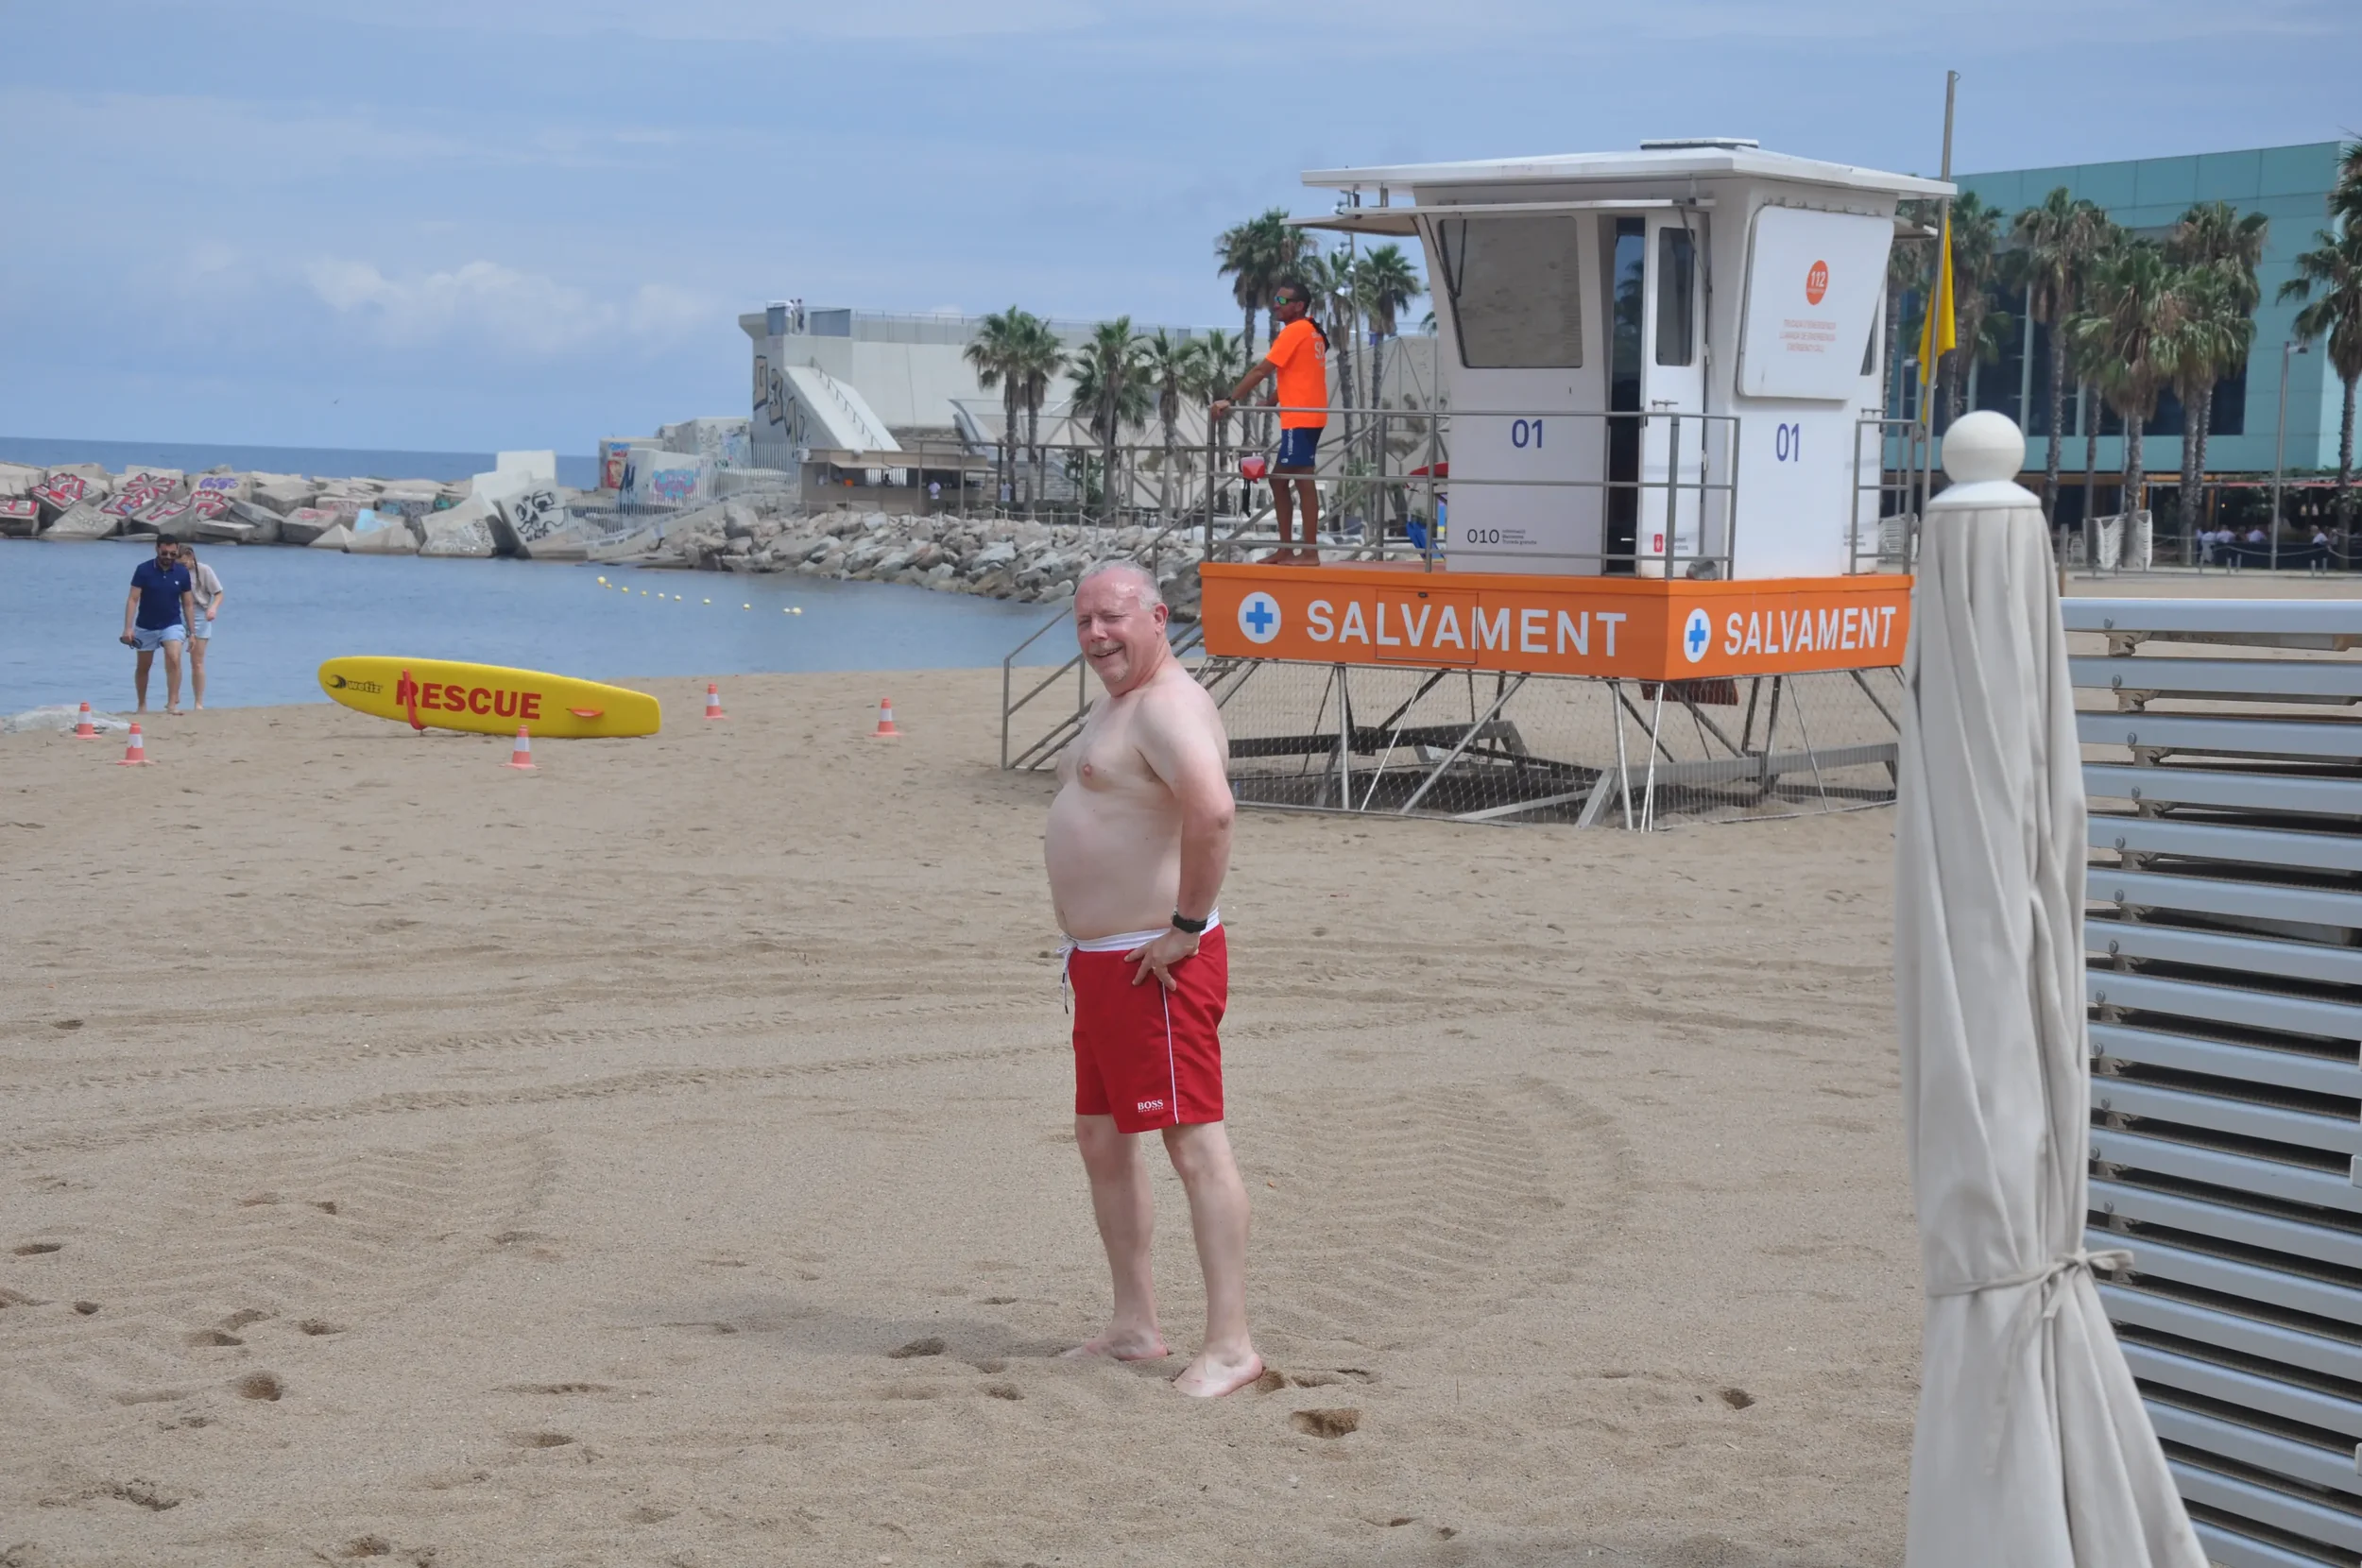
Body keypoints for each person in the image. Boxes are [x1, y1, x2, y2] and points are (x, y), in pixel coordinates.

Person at [1045, 561, 1260, 1398]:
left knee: (1193, 1144)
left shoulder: (1167, 704)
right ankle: (1134, 1322)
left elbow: (1213, 812)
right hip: (1102, 967)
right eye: (1084, 622)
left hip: (1155, 967)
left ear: (1158, 616)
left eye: (1112, 618)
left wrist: (1182, 929)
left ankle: (1232, 1344)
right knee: (1102, 1138)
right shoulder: (1122, 702)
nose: (1097, 634)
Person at [1213, 280, 1328, 564]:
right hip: (1307, 415)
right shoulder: (1313, 330)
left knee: (1292, 480)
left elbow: (1261, 370)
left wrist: (1231, 398)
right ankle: (1289, 549)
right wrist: (1274, 400)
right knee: (1293, 480)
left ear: (1298, 306)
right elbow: (1300, 373)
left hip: (1302, 418)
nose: (1275, 306)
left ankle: (1306, 551)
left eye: (1281, 302)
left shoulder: (1296, 330)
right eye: (1275, 300)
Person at [120, 535, 196, 715]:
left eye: (172, 553)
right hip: (146, 625)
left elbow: (188, 603)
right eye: (165, 553)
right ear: (157, 549)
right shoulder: (143, 570)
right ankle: (142, 705)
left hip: (172, 623)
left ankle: (172, 704)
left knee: (174, 657)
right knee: (144, 666)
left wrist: (192, 632)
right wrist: (128, 628)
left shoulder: (181, 572)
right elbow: (133, 599)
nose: (168, 557)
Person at [178, 542, 225, 710]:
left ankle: (198, 702)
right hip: (178, 612)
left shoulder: (204, 570)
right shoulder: (173, 569)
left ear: (190, 557)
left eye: (183, 563)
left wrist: (213, 608)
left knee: (197, 661)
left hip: (200, 612)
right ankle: (174, 698)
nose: (181, 567)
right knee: (173, 657)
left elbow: (219, 593)